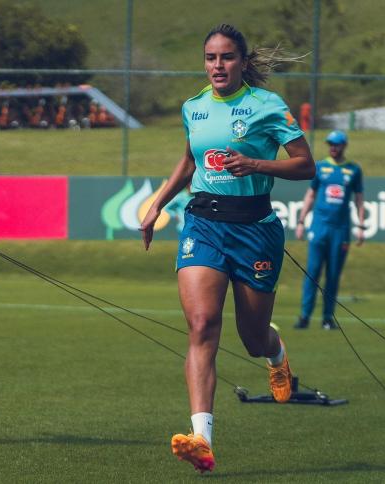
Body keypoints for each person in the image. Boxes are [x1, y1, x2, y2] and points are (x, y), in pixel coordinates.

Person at [140, 24, 315, 473]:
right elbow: (188, 160)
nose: (218, 66)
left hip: (255, 227)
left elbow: (305, 166)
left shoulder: (267, 106)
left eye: (227, 58)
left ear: (242, 62)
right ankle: (202, 439)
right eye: (211, 58)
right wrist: (157, 204)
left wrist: (256, 163)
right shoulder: (194, 107)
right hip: (203, 222)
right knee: (202, 324)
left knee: (252, 339)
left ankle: (277, 354)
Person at [294, 130, 364, 330]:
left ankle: (327, 318)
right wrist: (301, 221)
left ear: (344, 145)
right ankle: (305, 316)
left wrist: (360, 225)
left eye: (336, 144)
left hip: (340, 230)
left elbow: (359, 199)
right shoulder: (320, 167)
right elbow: (310, 195)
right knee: (313, 272)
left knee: (333, 275)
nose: (333, 147)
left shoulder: (353, 170)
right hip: (319, 227)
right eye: (330, 144)